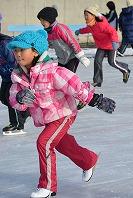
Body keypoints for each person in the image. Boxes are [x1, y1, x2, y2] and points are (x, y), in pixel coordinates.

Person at [8, 29, 116, 198]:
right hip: (47, 118)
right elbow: (13, 99)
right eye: (15, 50)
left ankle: (48, 186)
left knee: (44, 143)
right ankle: (89, 160)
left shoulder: (52, 71)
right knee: (61, 143)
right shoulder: (18, 76)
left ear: (35, 52)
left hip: (64, 114)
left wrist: (96, 100)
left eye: (22, 49)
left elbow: (75, 86)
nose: (18, 54)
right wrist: (20, 99)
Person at [75, 5, 130, 87]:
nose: (85, 17)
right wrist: (79, 31)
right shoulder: (91, 25)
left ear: (93, 15)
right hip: (101, 46)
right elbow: (87, 29)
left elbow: (112, 31)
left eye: (87, 15)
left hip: (111, 45)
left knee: (112, 62)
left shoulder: (101, 24)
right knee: (97, 61)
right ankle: (98, 81)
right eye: (85, 15)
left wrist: (115, 42)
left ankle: (125, 70)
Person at [37, 6, 90, 73]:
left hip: (71, 58)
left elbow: (72, 42)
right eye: (41, 21)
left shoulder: (60, 28)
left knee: (69, 78)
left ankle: (78, 84)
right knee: (60, 78)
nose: (42, 23)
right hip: (61, 60)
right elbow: (48, 45)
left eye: (43, 20)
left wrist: (81, 56)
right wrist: (41, 56)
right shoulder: (48, 32)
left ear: (49, 19)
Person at [0, 33, 29, 135]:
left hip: (14, 76)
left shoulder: (4, 44)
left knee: (10, 99)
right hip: (5, 76)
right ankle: (25, 111)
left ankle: (16, 124)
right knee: (3, 98)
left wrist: (17, 77)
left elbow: (14, 62)